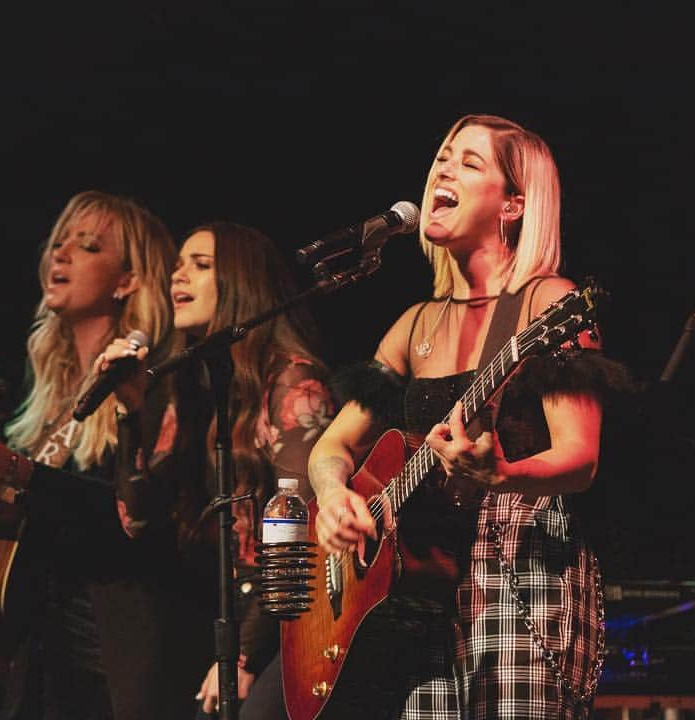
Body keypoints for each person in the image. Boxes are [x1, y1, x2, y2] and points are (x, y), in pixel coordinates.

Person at [308, 114, 627, 719]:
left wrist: (503, 474)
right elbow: (331, 448)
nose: (443, 169)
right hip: (419, 590)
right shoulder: (413, 326)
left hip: (521, 569)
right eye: (443, 158)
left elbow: (580, 458)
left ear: (513, 205)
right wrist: (333, 496)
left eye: (469, 162)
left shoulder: (549, 304)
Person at [0, 190, 213, 719]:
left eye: (85, 247)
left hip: (119, 662)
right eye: (57, 243)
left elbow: (133, 521)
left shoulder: (152, 383)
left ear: (126, 280)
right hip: (42, 662)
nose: (59, 255)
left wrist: (13, 468)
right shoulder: (51, 391)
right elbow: (41, 509)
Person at [98, 220, 335, 720]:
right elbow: (137, 518)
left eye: (200, 265)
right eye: (178, 264)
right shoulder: (191, 387)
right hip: (224, 611)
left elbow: (299, 526)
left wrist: (246, 654)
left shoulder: (291, 380)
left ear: (241, 283)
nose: (178, 276)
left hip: (295, 614)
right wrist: (128, 411)